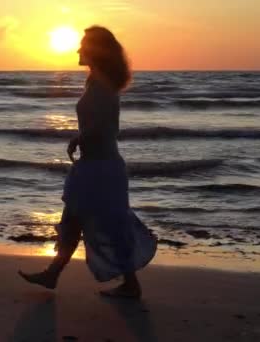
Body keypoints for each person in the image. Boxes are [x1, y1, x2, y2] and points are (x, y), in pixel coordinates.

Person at [18, 26, 157, 298]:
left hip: (102, 168)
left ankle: (128, 284)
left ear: (96, 50)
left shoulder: (102, 83)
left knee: (112, 225)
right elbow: (99, 124)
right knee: (74, 219)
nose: (78, 50)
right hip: (94, 165)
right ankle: (54, 274)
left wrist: (79, 137)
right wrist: (80, 138)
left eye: (83, 45)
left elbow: (107, 126)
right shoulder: (96, 80)